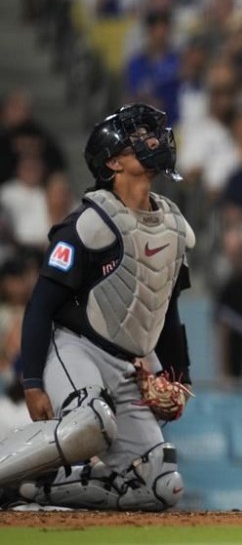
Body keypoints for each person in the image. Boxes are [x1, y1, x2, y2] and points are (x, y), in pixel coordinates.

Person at [0, 104, 195, 510]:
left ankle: (26, 489)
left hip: (129, 364)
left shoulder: (175, 228)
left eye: (151, 133)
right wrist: (32, 380)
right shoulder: (89, 223)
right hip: (74, 348)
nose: (151, 140)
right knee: (91, 422)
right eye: (136, 137)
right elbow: (40, 305)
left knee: (160, 484)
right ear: (113, 162)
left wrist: (180, 378)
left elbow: (170, 313)